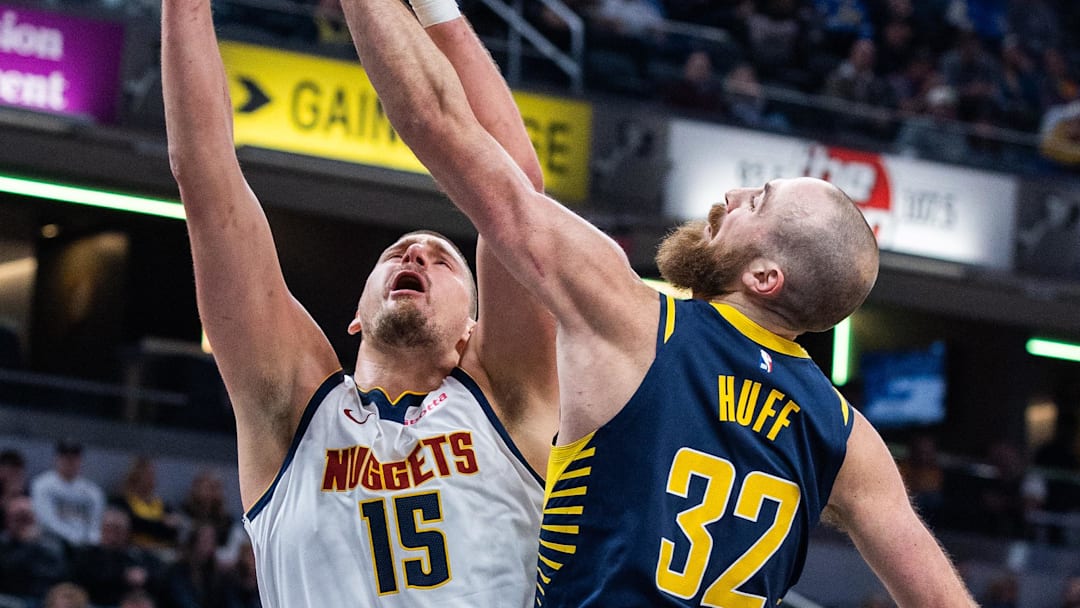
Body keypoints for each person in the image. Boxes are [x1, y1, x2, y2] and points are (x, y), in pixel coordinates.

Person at [339, 0, 978, 604]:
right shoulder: (846, 439)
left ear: (764, 277)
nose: (730, 197)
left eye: (756, 202)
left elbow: (440, 124)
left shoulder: (634, 320)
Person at [160, 0, 557, 605]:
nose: (415, 255)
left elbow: (515, 184)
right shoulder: (294, 408)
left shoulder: (511, 398)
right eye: (397, 254)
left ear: (470, 331)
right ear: (356, 317)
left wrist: (432, 7)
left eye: (442, 261)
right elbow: (204, 175)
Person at [30, 440, 106, 548]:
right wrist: (72, 537)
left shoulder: (92, 491)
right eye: (65, 457)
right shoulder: (42, 484)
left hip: (84, 543)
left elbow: (96, 523)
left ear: (80, 460)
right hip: (53, 539)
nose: (70, 461)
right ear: (57, 458)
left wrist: (91, 541)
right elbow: (45, 520)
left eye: (74, 457)